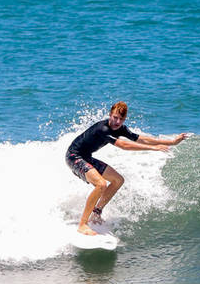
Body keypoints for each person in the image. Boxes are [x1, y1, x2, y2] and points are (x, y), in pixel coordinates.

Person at [66, 101, 190, 235]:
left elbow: (141, 139)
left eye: (121, 119)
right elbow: (124, 145)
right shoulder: (103, 129)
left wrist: (172, 142)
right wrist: (153, 148)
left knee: (118, 180)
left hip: (86, 157)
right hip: (74, 156)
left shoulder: (121, 129)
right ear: (110, 115)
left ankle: (96, 213)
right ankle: (82, 224)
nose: (117, 122)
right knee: (101, 184)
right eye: (115, 117)